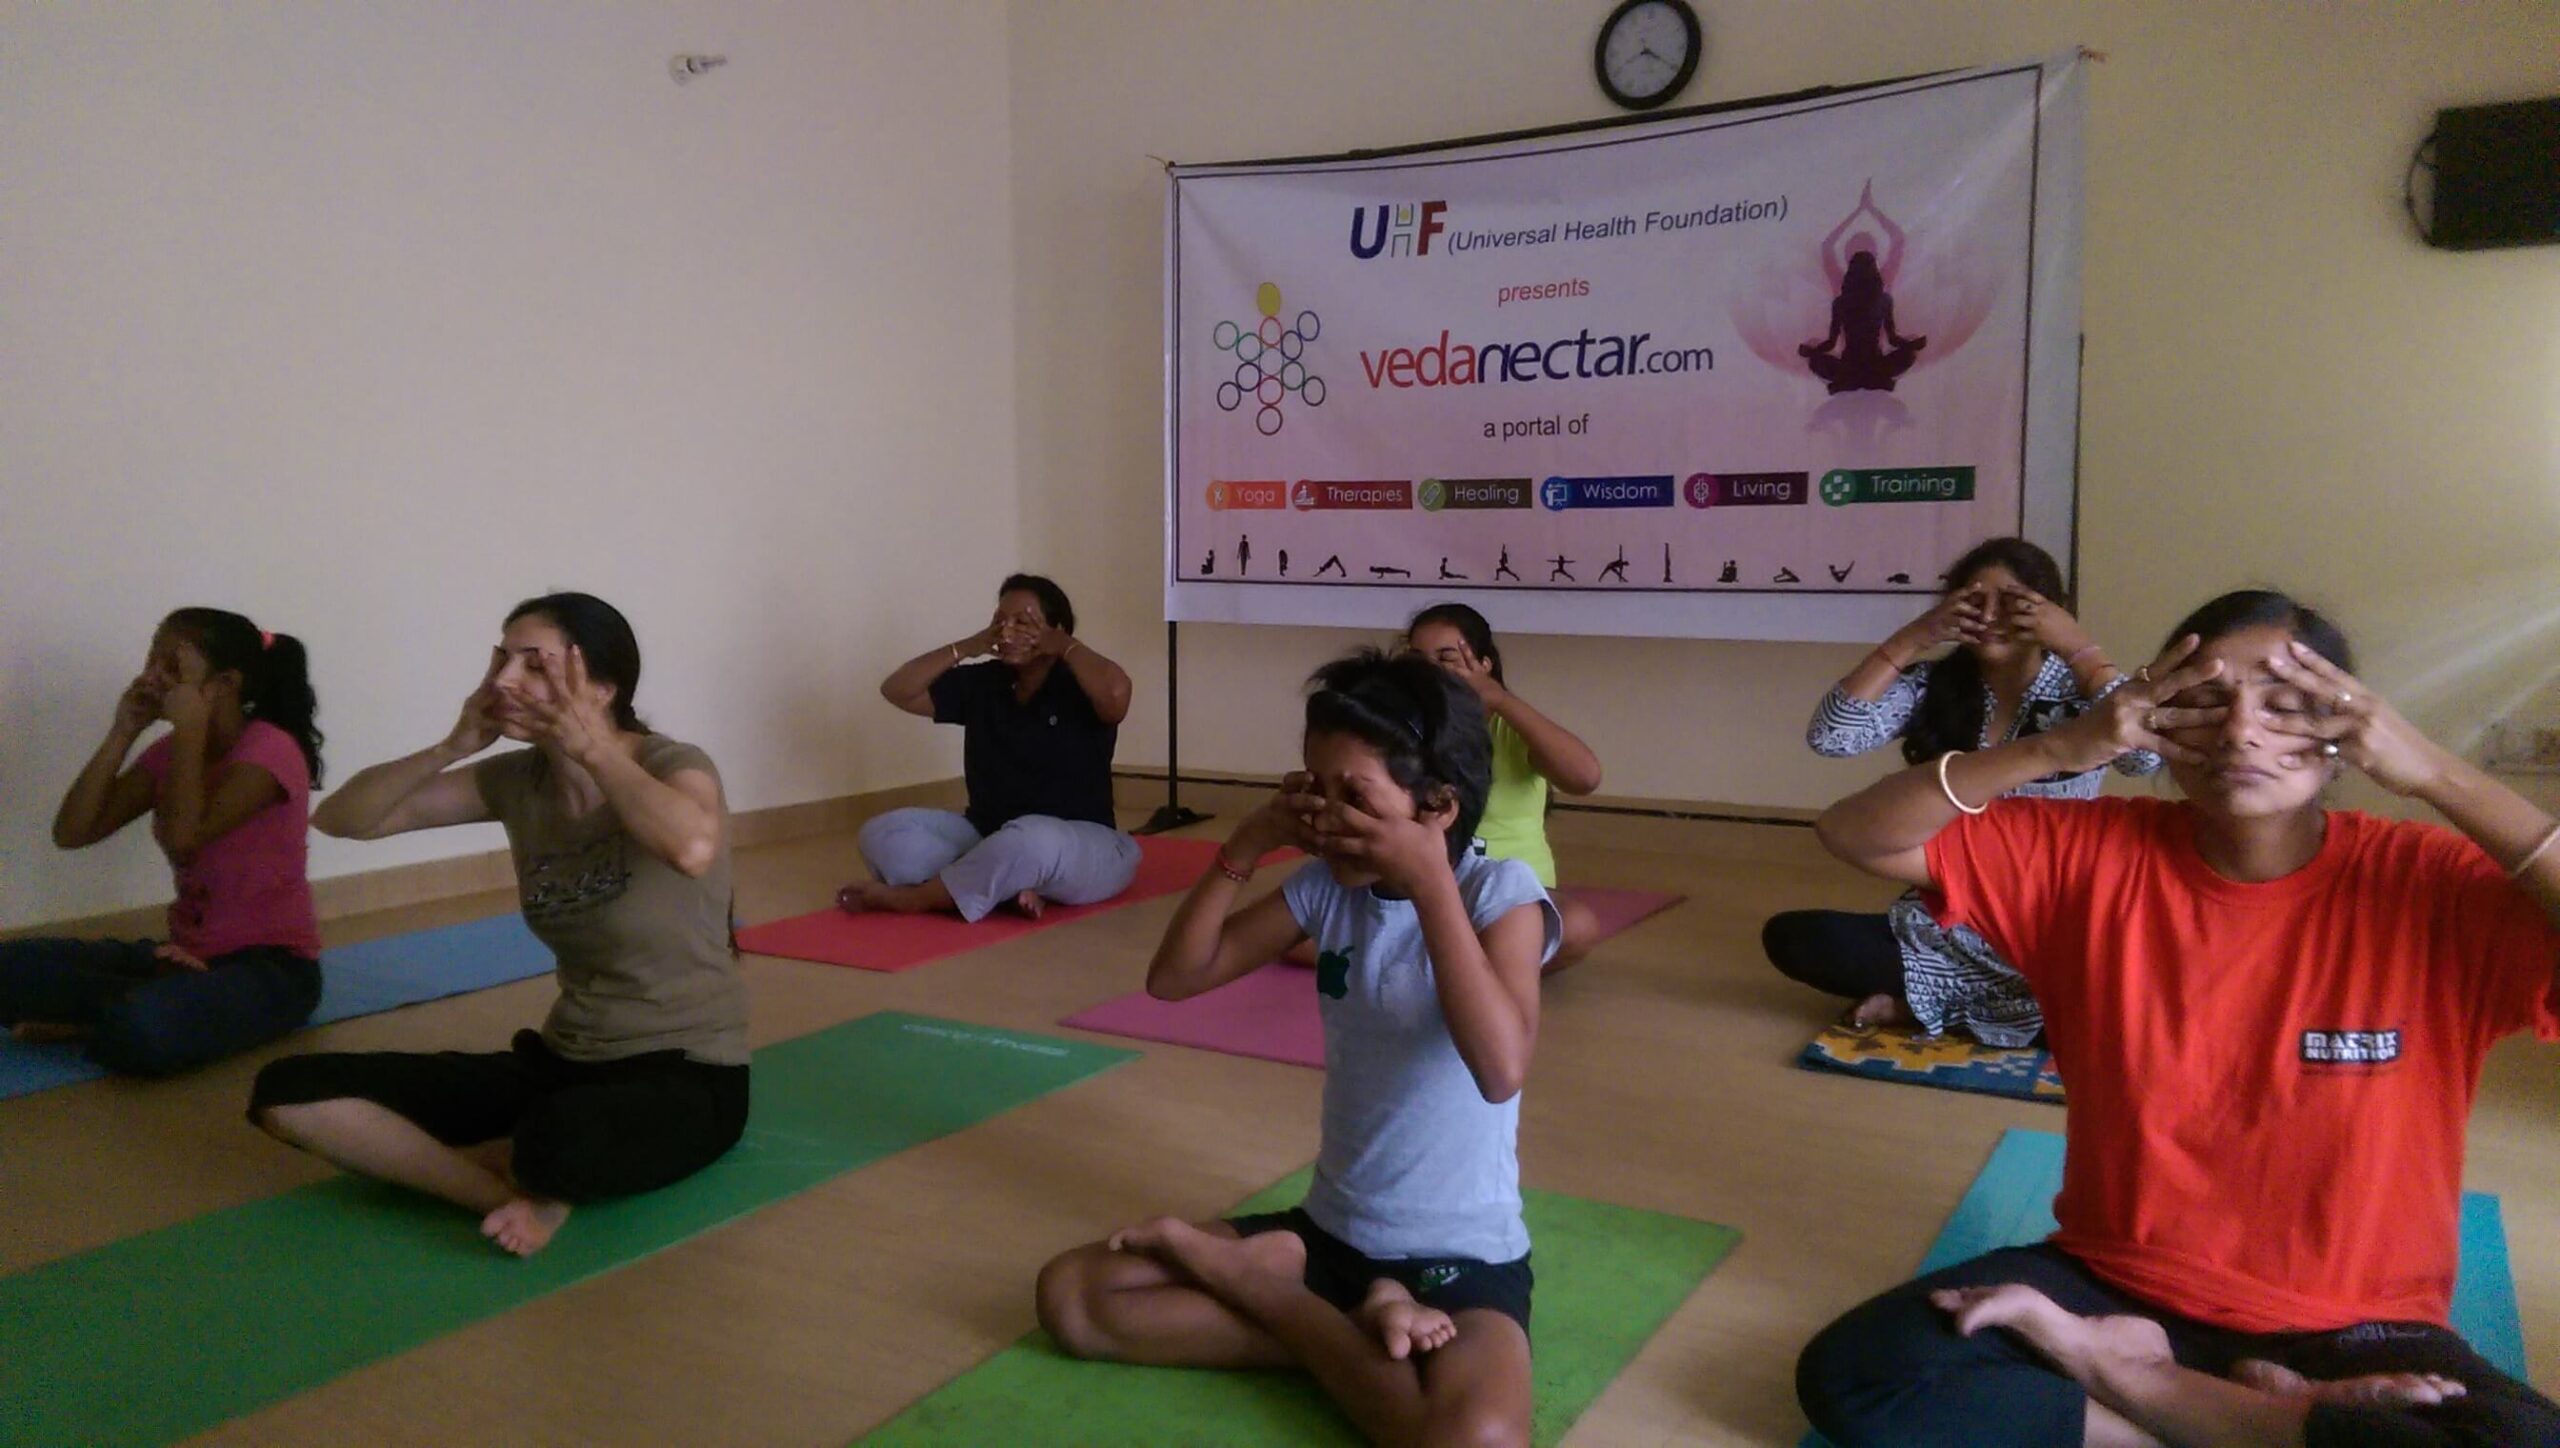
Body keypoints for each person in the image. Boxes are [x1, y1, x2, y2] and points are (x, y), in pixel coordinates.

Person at [1795, 590, 2560, 1448]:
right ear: (2155, 717)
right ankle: (2255, 1416)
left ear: (2349, 733)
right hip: (2116, 1282)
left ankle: (2138, 1380)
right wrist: (2059, 746)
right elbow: (1856, 832)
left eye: (2286, 704)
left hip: (2357, 1325)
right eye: (2204, 701)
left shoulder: (2430, 884)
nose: (2241, 732)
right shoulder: (2087, 854)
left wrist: (2435, 773)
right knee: (1863, 1372)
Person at [1034, 649, 1556, 1448]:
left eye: (1356, 796)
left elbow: (1500, 1069)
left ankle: (1268, 1295)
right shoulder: (1327, 890)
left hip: (1462, 1257)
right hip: (1327, 1237)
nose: (1327, 816)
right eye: (1316, 787)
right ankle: (1349, 1327)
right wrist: (1247, 843)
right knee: (1075, 1298)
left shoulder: (1501, 895)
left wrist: (1429, 883)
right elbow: (1175, 978)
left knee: (1475, 1440)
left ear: (1438, 807)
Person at [250, 593, 746, 1258]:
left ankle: (526, 1168)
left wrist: (595, 750)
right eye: (502, 660)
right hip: (561, 1062)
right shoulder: (517, 781)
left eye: (534, 665)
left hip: (686, 1072)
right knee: (288, 1090)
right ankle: (500, 1192)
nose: (505, 681)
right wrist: (451, 746)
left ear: (601, 688)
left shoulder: (672, 763)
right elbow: (345, 819)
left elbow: (691, 847)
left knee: (558, 1139)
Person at [1762, 538, 2157, 1044]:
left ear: (2049, 611)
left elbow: (2143, 757)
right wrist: (1915, 636)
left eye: (2011, 602)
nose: (1989, 616)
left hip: (2051, 912)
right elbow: (1831, 736)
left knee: (2135, 997)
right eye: (1974, 601)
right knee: (1797, 939)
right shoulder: (1938, 685)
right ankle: (2003, 1008)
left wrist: (2079, 648)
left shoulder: (2081, 691)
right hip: (1951, 914)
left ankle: (1936, 1007)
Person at [3, 609, 325, 1075]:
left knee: (144, 1027)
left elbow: (183, 839)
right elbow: (73, 833)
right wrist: (123, 731)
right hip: (180, 959)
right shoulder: (170, 754)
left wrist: (190, 729)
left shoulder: (270, 751)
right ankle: (130, 1010)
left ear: (224, 684)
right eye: (151, 660)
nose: (152, 677)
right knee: (9, 967)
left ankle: (105, 1020)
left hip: (272, 970)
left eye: (171, 666)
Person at [842, 574, 1138, 922]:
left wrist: (1066, 646)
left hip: (1083, 844)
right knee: (880, 834)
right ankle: (1002, 883)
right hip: (989, 833)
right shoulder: (987, 681)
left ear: (1056, 630)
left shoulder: (1082, 684)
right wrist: (968, 646)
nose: (1006, 632)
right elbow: (898, 690)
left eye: (1022, 622)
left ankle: (918, 898)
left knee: (1031, 840)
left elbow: (1117, 696)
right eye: (1000, 621)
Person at [1406, 603, 1607, 973]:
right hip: (1425, 888)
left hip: (1506, 899)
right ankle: (1459, 966)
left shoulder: (1509, 727)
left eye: (1447, 658)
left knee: (1577, 927)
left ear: (1485, 665)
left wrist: (1500, 699)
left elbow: (1585, 777)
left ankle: (1434, 964)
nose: (1431, 671)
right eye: (1419, 659)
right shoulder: (1403, 728)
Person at [1799, 249, 1925, 393]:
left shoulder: (1849, 302)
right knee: (1908, 355)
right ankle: (1872, 380)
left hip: (1858, 366)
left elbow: (1831, 343)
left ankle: (1851, 380)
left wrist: (1812, 352)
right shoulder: (1877, 301)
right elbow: (1893, 339)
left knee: (1816, 360)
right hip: (1867, 366)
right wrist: (1911, 346)